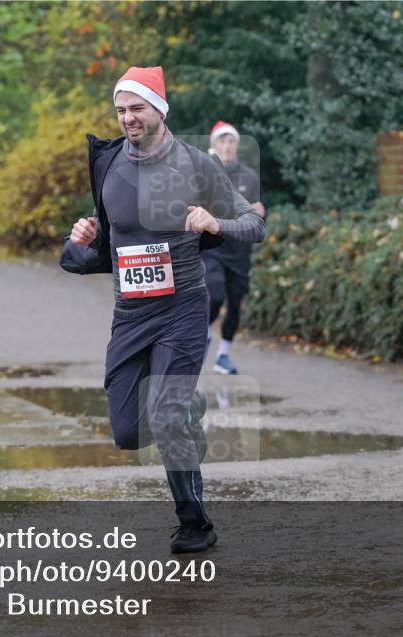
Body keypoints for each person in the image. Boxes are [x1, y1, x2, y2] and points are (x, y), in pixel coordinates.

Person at [60, 66, 265, 553]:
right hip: (131, 314)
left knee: (166, 414)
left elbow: (253, 226)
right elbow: (107, 243)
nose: (128, 118)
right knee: (130, 431)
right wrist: (81, 241)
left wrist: (215, 221)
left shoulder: (196, 165)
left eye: (138, 108)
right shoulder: (108, 163)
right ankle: (191, 407)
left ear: (160, 110)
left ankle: (195, 523)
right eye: (121, 110)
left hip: (182, 310)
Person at [201, 121, 266, 375]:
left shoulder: (250, 176)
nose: (227, 147)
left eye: (231, 142)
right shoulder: (206, 174)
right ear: (214, 145)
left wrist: (261, 211)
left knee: (236, 303)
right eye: (222, 141)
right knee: (214, 295)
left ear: (237, 146)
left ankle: (223, 355)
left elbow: (260, 209)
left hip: (239, 250)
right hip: (213, 248)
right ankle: (204, 332)